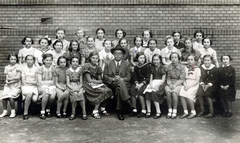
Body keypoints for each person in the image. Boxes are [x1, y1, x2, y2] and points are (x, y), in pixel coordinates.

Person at [103, 45, 134, 120]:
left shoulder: (127, 63)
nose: (118, 55)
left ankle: (119, 111)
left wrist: (121, 79)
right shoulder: (108, 63)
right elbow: (105, 77)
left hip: (122, 84)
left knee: (119, 88)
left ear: (123, 55)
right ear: (113, 54)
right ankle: (127, 100)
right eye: (116, 53)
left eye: (119, 53)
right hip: (111, 84)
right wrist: (113, 79)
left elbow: (128, 77)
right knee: (119, 84)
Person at [82, 51, 113, 119]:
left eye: (96, 58)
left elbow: (100, 79)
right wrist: (97, 81)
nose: (95, 60)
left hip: (96, 84)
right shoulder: (86, 66)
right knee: (103, 92)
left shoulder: (98, 67)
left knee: (109, 90)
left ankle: (102, 108)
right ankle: (95, 111)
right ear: (90, 58)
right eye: (93, 58)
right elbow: (89, 80)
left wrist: (97, 82)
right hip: (88, 85)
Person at [143, 54, 166, 119]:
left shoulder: (163, 67)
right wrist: (151, 85)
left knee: (153, 93)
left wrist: (157, 85)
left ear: (160, 60)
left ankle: (158, 111)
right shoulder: (152, 68)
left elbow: (163, 79)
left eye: (157, 60)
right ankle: (148, 110)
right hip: (153, 82)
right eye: (154, 60)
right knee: (147, 92)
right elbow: (151, 78)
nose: (155, 61)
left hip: (161, 83)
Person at [179, 55, 201, 119]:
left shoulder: (197, 69)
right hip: (186, 83)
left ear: (194, 61)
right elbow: (183, 78)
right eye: (188, 60)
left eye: (191, 60)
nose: (190, 61)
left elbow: (197, 80)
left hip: (193, 84)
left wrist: (189, 86)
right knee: (181, 94)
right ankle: (185, 112)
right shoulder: (185, 68)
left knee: (188, 94)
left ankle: (193, 112)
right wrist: (185, 84)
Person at [0, 53, 21, 118]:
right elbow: (6, 77)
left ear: (17, 60)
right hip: (8, 85)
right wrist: (7, 81)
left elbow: (18, 78)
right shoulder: (7, 67)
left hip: (16, 85)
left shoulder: (18, 66)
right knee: (3, 97)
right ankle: (5, 111)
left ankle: (13, 111)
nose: (13, 61)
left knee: (11, 97)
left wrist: (10, 80)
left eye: (15, 59)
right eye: (11, 59)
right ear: (9, 59)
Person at [130, 52, 151, 117]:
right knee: (132, 91)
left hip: (145, 82)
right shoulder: (136, 67)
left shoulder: (147, 66)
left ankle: (143, 110)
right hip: (138, 82)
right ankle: (134, 109)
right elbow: (134, 76)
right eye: (140, 58)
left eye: (143, 58)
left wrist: (141, 84)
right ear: (137, 59)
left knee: (140, 92)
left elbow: (148, 77)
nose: (142, 59)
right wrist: (136, 83)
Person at [165, 52, 185, 119]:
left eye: (175, 57)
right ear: (170, 59)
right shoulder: (168, 67)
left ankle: (174, 111)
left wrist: (175, 85)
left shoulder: (182, 67)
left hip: (178, 83)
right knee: (167, 92)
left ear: (178, 59)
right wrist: (170, 84)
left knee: (174, 93)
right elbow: (168, 78)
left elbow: (182, 79)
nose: (174, 59)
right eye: (172, 57)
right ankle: (169, 110)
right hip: (170, 83)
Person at [38, 53, 56, 119]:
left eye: (50, 60)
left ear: (52, 61)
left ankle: (48, 108)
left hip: (51, 86)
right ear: (43, 61)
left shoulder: (54, 68)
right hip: (42, 86)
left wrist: (49, 83)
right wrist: (49, 83)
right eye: (47, 60)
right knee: (46, 93)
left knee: (52, 96)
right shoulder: (40, 68)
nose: (48, 62)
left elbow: (54, 81)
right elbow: (39, 81)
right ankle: (42, 111)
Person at [20, 55, 39, 120]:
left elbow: (36, 81)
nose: (29, 61)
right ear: (25, 61)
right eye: (28, 59)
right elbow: (23, 81)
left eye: (31, 59)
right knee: (29, 93)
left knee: (34, 99)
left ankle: (31, 108)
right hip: (25, 87)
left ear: (33, 61)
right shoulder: (23, 68)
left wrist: (29, 81)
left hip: (34, 87)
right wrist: (32, 82)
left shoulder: (36, 68)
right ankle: (25, 113)